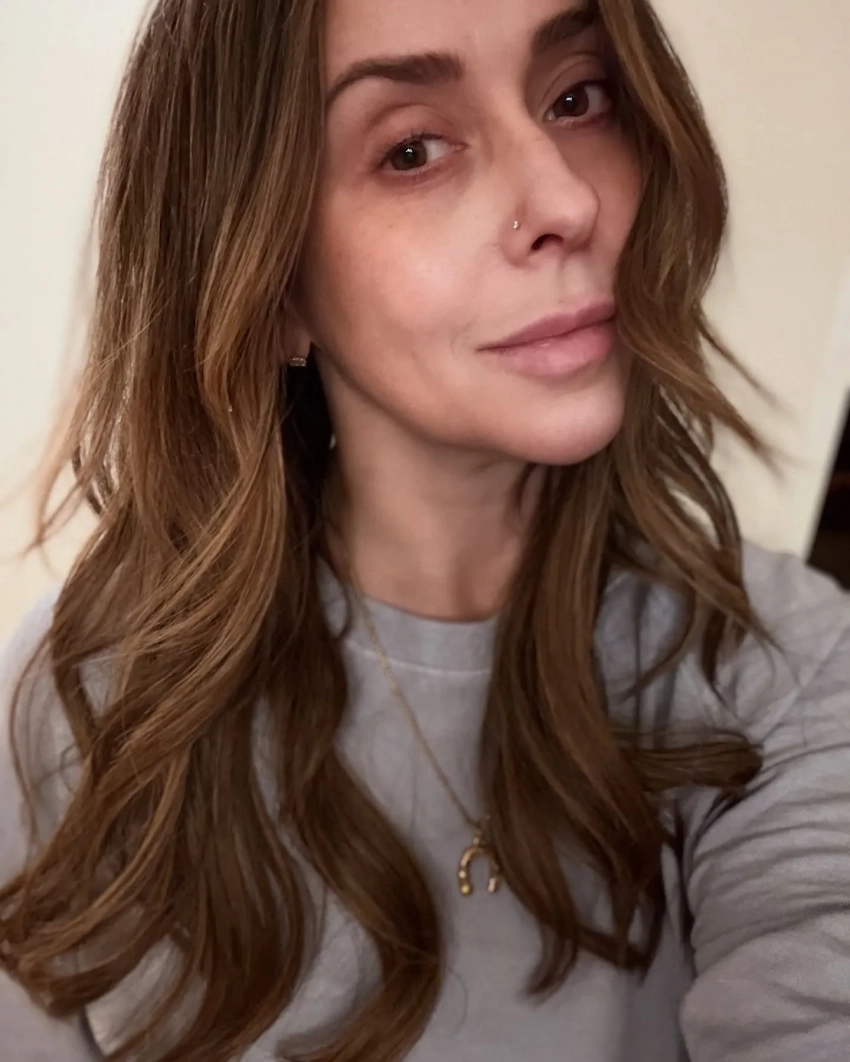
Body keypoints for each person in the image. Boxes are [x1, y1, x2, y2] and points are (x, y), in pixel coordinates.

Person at [1, 0, 848, 1058]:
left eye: (577, 98)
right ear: (271, 284)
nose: (567, 199)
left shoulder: (786, 669)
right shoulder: (85, 702)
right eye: (411, 151)